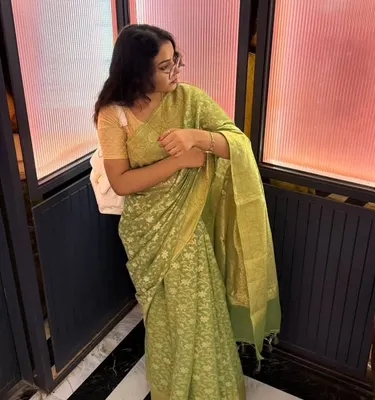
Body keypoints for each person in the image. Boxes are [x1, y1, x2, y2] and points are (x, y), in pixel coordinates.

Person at [94, 24, 280, 400]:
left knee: (196, 310)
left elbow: (237, 145)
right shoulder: (113, 115)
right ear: (137, 71)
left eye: (176, 60)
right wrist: (179, 162)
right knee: (162, 315)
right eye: (165, 66)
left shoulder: (189, 100)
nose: (175, 70)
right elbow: (121, 182)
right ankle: (172, 386)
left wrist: (196, 137)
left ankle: (210, 389)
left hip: (187, 223)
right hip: (145, 229)